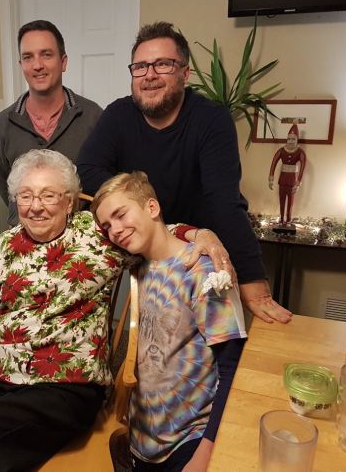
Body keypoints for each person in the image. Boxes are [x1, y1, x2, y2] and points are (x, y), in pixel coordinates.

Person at [0, 149, 218, 471]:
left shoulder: (97, 234)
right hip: (0, 380)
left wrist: (198, 234)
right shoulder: (2, 246)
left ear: (69, 202)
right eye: (25, 196)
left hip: (66, 386)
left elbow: (152, 230)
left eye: (48, 195)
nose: (35, 206)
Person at [77, 21, 292, 324]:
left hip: (196, 252)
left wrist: (252, 280)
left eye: (162, 64)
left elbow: (224, 202)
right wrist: (139, 209)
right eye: (140, 67)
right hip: (145, 248)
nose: (149, 74)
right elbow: (87, 171)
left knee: (216, 337)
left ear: (185, 73)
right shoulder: (118, 115)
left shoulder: (212, 119)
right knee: (155, 339)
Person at [91, 172, 246, 471]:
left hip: (191, 439)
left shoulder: (203, 271)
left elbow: (232, 365)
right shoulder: (138, 263)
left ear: (152, 207)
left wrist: (207, 450)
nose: (116, 230)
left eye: (121, 215)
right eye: (107, 226)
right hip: (143, 438)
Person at [0, 19, 103, 226]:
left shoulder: (93, 117)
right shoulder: (2, 125)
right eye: (28, 57)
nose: (37, 65)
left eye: (46, 55)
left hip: (80, 238)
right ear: (21, 65)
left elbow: (104, 185)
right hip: (24, 236)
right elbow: (6, 188)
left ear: (63, 62)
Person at [268, 124, 307, 224]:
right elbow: (273, 163)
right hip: (282, 180)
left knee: (290, 203)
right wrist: (271, 178)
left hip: (292, 181)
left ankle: (288, 219)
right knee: (281, 201)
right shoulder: (281, 151)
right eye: (289, 139)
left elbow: (302, 167)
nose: (290, 141)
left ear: (297, 140)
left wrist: (298, 183)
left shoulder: (300, 152)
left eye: (293, 139)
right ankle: (281, 218)